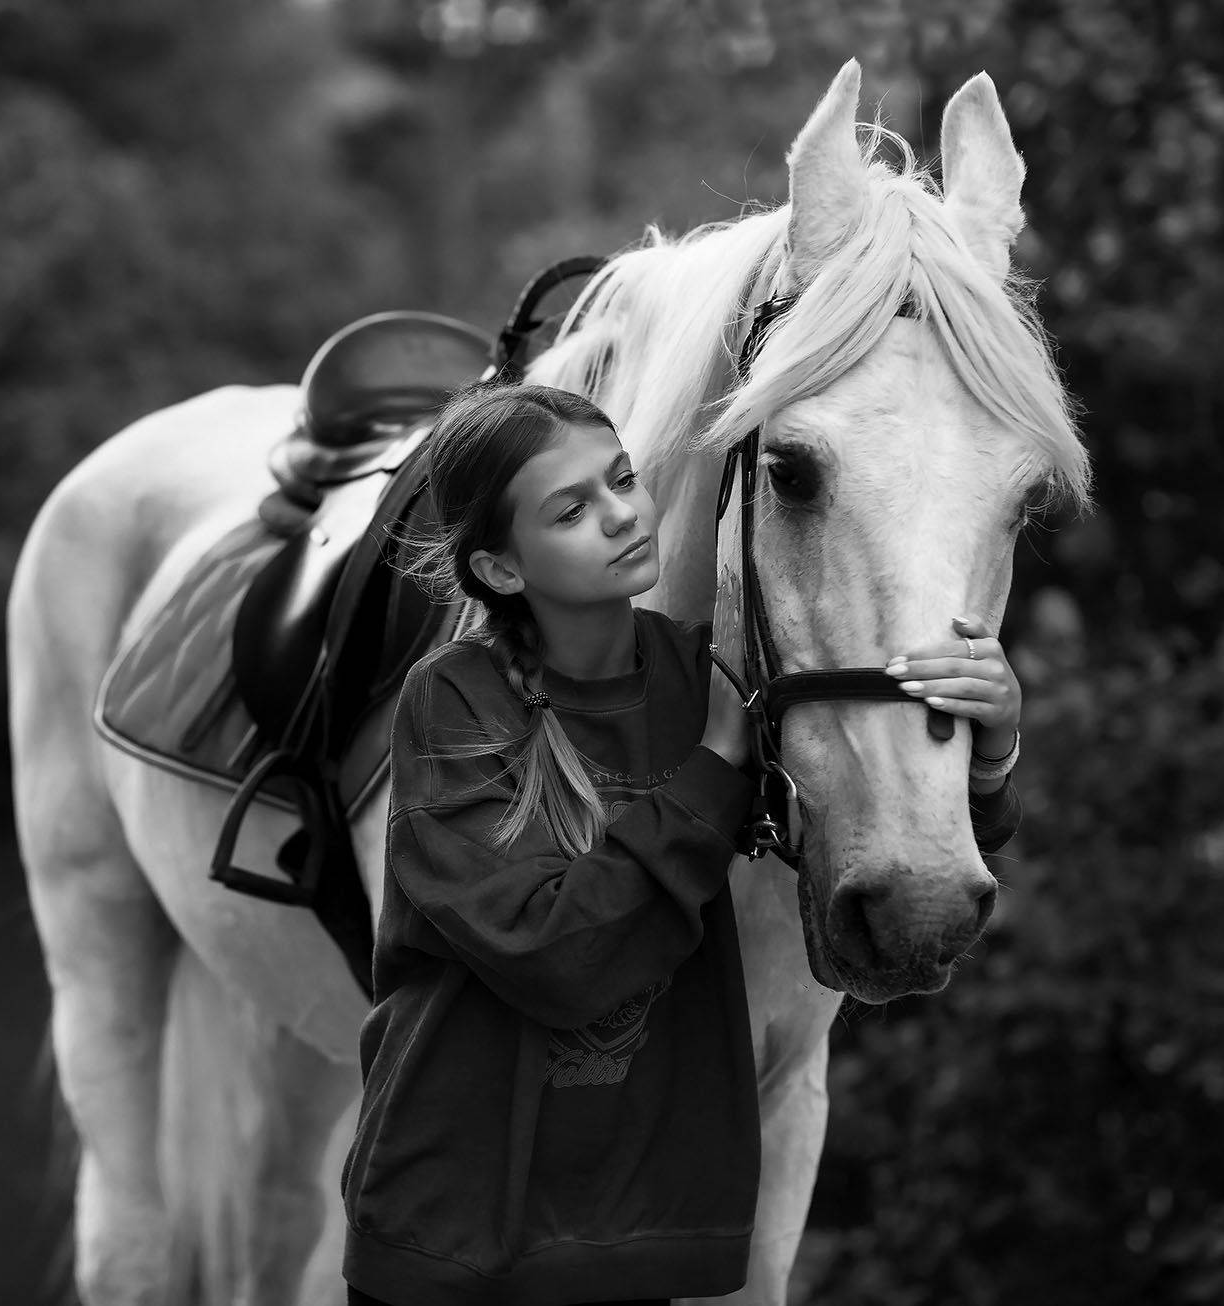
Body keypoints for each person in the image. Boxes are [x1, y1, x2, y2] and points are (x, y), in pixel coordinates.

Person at [340, 382, 1025, 1306]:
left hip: (634, 1241)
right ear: (502, 570)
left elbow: (892, 857)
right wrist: (711, 768)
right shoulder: (452, 703)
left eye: (622, 478)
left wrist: (990, 748)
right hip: (453, 1232)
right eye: (572, 509)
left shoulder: (712, 683)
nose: (623, 514)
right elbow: (549, 955)